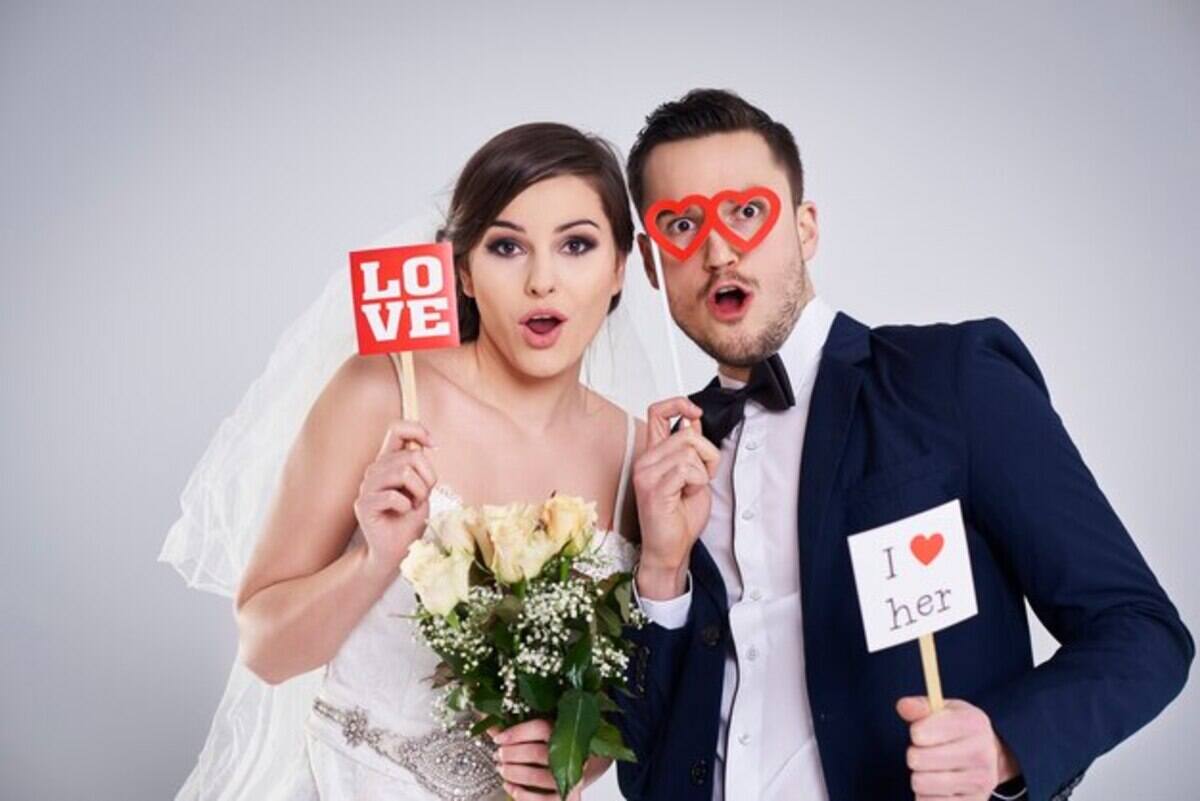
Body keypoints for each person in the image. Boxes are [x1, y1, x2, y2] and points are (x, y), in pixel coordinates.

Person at [617, 89, 1193, 801]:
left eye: (745, 212)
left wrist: (1005, 742)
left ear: (805, 227)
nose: (718, 249)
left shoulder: (952, 379)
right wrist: (662, 579)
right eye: (681, 225)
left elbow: (1143, 633)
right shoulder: (663, 459)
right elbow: (641, 761)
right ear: (651, 262)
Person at [168, 122, 646, 801]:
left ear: (620, 268)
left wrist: (574, 758)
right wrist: (375, 556)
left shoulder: (638, 454)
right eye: (507, 246)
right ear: (463, 271)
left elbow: (629, 701)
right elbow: (266, 650)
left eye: (577, 245)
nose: (544, 281)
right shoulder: (382, 392)